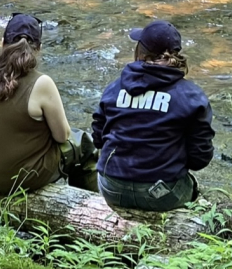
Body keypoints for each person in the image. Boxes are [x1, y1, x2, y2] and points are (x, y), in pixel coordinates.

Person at [0, 13, 99, 196]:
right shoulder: (42, 83)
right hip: (16, 179)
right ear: (39, 48)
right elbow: (62, 136)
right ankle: (86, 203)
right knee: (82, 143)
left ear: (3, 43)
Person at [92, 20, 215, 212]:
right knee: (190, 184)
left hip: (112, 187)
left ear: (140, 54)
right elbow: (200, 158)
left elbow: (98, 139)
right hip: (161, 193)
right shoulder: (192, 97)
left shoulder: (114, 89)